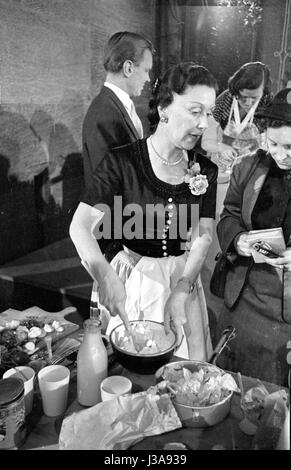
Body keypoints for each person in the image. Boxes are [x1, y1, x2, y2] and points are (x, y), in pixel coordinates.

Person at [70, 62, 218, 360]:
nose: (204, 124)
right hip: (133, 279)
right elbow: (79, 226)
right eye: (195, 111)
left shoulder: (206, 170)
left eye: (209, 113)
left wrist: (183, 287)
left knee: (183, 369)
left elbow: (203, 235)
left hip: (182, 279)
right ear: (164, 107)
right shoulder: (122, 163)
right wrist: (105, 276)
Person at [214, 88, 291, 386]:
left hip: (284, 311)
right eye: (274, 144)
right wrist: (238, 240)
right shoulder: (248, 168)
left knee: (272, 396)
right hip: (243, 298)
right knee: (230, 384)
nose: (281, 154)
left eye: (290, 146)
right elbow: (229, 214)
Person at [82, 31, 154, 189]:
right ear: (128, 68)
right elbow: (107, 183)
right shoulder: (104, 114)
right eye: (146, 70)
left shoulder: (115, 105)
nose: (148, 79)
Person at [201, 61, 272, 171]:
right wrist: (221, 147)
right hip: (221, 166)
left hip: (249, 169)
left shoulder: (268, 104)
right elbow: (206, 143)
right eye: (243, 96)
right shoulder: (224, 100)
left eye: (254, 98)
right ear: (236, 90)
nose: (248, 103)